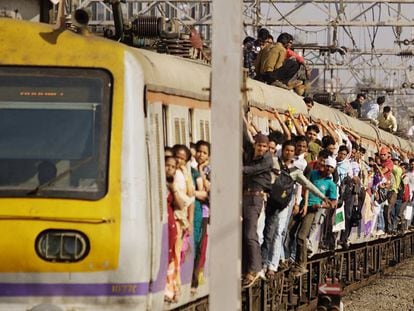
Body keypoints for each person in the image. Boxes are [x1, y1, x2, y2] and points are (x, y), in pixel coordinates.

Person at [261, 140, 330, 278]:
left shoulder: (296, 171)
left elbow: (308, 185)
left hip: (283, 206)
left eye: (292, 151)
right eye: (287, 150)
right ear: (283, 150)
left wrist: (323, 197)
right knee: (267, 233)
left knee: (278, 233)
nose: (289, 153)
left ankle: (272, 265)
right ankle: (263, 263)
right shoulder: (273, 163)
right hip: (269, 203)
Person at [289, 157, 337, 276]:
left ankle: (301, 264)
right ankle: (289, 258)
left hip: (313, 210)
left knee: (301, 236)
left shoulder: (331, 184)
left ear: (333, 169)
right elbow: (306, 187)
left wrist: (320, 205)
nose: (328, 169)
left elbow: (333, 203)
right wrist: (303, 203)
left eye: (331, 167)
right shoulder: (313, 173)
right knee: (290, 231)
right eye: (327, 166)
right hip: (302, 205)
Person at [242, 131, 273, 288]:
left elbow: (252, 170)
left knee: (250, 234)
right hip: (244, 196)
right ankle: (246, 267)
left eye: (264, 146)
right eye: (259, 145)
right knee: (243, 233)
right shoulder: (249, 152)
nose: (262, 148)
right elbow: (245, 135)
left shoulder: (267, 160)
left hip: (256, 198)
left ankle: (255, 269)